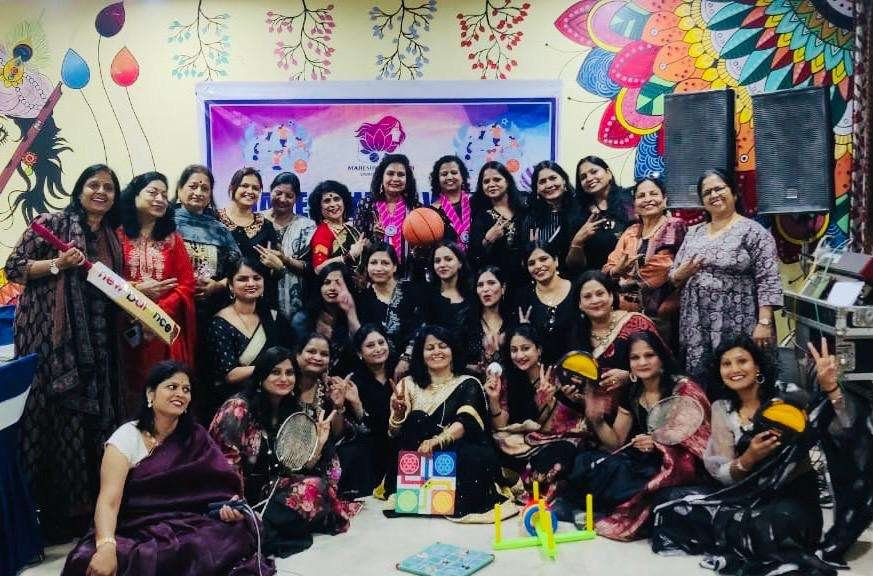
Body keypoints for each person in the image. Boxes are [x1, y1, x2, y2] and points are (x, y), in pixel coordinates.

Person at [651, 335, 852, 575]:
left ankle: (747, 536)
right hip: (747, 494)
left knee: (770, 524)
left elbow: (845, 427)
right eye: (726, 364)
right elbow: (723, 474)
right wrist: (749, 458)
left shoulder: (789, 396)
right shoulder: (722, 408)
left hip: (791, 499)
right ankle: (741, 533)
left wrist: (831, 388)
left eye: (742, 361)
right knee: (669, 501)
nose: (734, 369)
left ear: (757, 366)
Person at [63, 361, 273, 575]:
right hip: (135, 526)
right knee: (88, 559)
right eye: (172, 387)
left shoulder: (196, 436)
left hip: (188, 522)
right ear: (150, 394)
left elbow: (218, 489)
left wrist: (227, 509)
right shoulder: (126, 437)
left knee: (235, 531)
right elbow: (108, 501)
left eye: (186, 389)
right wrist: (106, 546)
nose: (180, 394)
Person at [4, 164, 124, 542]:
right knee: (53, 421)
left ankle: (85, 511)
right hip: (50, 340)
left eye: (108, 187)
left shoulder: (111, 237)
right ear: (79, 189)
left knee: (91, 422)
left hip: (97, 342)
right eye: (93, 185)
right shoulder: (51, 223)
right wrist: (58, 263)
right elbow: (14, 268)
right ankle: (49, 514)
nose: (101, 192)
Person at [210, 347, 352, 558]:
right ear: (261, 375)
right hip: (233, 495)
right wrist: (234, 503)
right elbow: (223, 462)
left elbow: (294, 466)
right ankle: (255, 527)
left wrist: (319, 444)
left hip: (270, 493)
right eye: (275, 372)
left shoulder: (291, 409)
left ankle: (258, 527)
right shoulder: (237, 408)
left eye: (290, 373)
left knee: (316, 486)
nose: (284, 379)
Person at [568, 331, 711, 540]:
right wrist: (596, 419)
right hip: (643, 463)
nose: (642, 362)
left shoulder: (684, 389)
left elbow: (697, 441)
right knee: (588, 462)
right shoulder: (633, 391)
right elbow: (616, 443)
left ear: (661, 358)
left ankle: (610, 508)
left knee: (641, 488)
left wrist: (657, 443)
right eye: (635, 358)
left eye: (649, 355)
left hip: (677, 469)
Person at [669, 168, 782, 385]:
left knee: (739, 377)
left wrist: (764, 322)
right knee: (702, 380)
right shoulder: (694, 233)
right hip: (697, 322)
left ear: (734, 193)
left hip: (739, 318)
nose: (713, 195)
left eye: (719, 189)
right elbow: (674, 277)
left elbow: (768, 279)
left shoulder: (753, 231)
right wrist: (680, 274)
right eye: (707, 192)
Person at [387, 325, 501, 516]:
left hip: (453, 452)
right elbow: (394, 433)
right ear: (421, 354)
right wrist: (398, 415)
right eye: (430, 348)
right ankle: (417, 496)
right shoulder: (408, 384)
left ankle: (448, 499)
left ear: (453, 350)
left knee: (472, 454)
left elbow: (466, 422)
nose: (436, 352)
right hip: (418, 459)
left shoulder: (469, 382)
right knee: (416, 419)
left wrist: (438, 441)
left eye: (442, 346)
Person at [116, 171, 196, 416]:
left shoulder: (173, 240)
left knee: (164, 387)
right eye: (153, 192)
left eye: (164, 194)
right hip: (124, 325)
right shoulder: (117, 236)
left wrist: (157, 312)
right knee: (127, 388)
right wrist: (136, 298)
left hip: (163, 327)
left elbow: (186, 284)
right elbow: (108, 279)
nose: (160, 199)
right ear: (134, 195)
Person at [485, 324, 588, 502]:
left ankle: (534, 486)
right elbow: (501, 425)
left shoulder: (557, 374)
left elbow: (567, 421)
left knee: (563, 452)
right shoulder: (509, 379)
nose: (519, 355)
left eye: (525, 348)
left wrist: (549, 401)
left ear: (538, 350)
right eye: (514, 350)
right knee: (494, 444)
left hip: (558, 438)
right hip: (523, 442)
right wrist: (493, 398)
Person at [603, 175, 686, 345]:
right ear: (635, 204)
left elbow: (660, 270)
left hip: (661, 315)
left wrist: (618, 276)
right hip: (625, 315)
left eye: (653, 194)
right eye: (641, 196)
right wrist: (615, 271)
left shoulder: (674, 226)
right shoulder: (631, 231)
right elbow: (608, 267)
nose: (647, 199)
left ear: (664, 199)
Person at [207, 257, 293, 415]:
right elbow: (229, 374)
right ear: (231, 285)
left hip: (275, 398)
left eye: (256, 278)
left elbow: (289, 356)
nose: (251, 283)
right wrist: (268, 367)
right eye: (243, 279)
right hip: (237, 405)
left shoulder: (273, 317)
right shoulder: (220, 322)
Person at [574, 270, 662, 421]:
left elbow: (664, 366)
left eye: (600, 294)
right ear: (580, 304)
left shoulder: (636, 323)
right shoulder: (577, 335)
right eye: (587, 296)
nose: (595, 300)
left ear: (611, 296)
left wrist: (630, 377)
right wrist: (576, 393)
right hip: (600, 417)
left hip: (645, 410)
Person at [173, 164, 240, 317]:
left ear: (210, 195)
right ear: (179, 190)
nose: (198, 192)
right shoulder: (163, 225)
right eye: (193, 187)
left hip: (212, 310)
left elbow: (240, 269)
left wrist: (219, 286)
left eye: (204, 189)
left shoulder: (219, 230)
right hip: (172, 308)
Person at [217, 167, 284, 307]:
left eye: (255, 188)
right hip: (219, 300)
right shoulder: (215, 220)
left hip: (256, 302)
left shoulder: (266, 226)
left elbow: (272, 272)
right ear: (232, 187)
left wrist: (279, 268)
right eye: (244, 185)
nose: (250, 191)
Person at [468, 161, 527, 300]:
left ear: (507, 181)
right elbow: (473, 256)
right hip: (495, 285)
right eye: (486, 181)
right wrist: (488, 239)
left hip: (524, 280)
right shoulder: (481, 216)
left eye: (497, 179)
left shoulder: (524, 209)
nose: (491, 184)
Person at [349, 325, 397, 495]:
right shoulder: (354, 382)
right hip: (373, 448)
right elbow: (363, 430)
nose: (378, 349)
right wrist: (357, 404)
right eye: (370, 345)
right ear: (359, 353)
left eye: (381, 342)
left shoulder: (400, 373)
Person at [514, 241, 580, 365]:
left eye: (543, 259)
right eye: (531, 263)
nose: (538, 266)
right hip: (540, 370)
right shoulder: (523, 297)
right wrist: (524, 330)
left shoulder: (577, 290)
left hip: (578, 367)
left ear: (556, 261)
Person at [353, 154, 422, 268]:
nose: (395, 179)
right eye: (390, 173)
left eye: (401, 175)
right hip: (375, 270)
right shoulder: (367, 204)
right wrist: (374, 238)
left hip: (407, 271)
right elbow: (357, 243)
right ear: (381, 177)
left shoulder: (415, 207)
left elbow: (422, 245)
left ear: (407, 180)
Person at [291, 262, 361, 374]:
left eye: (338, 283)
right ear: (320, 287)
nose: (332, 288)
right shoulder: (302, 319)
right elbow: (296, 358)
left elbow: (361, 350)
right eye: (327, 283)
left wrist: (351, 313)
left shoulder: (354, 314)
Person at [356, 242, 420, 356]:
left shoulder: (411, 291)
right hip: (377, 361)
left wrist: (406, 358)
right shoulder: (363, 299)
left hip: (414, 357)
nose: (378, 268)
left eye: (385, 263)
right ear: (366, 267)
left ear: (395, 266)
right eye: (373, 263)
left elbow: (421, 327)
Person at [267, 172, 316, 322]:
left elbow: (311, 268)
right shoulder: (256, 221)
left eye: (289, 196)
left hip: (297, 305)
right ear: (270, 191)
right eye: (278, 193)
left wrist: (286, 260)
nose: (282, 199)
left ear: (296, 198)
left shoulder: (307, 227)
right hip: (258, 298)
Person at [571, 155, 632, 271]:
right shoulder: (578, 212)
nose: (589, 178)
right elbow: (573, 265)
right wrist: (577, 241)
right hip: (594, 277)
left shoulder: (629, 201)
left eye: (594, 172)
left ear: (608, 173)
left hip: (629, 273)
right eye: (583, 177)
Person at [422, 242, 476, 367]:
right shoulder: (427, 296)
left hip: (467, 367)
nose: (442, 265)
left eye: (448, 259)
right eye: (437, 261)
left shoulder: (472, 297)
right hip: (435, 364)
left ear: (460, 263)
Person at [524, 161, 584, 272]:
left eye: (553, 178)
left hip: (577, 275)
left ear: (564, 180)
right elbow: (527, 257)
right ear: (537, 188)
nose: (549, 185)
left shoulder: (581, 210)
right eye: (542, 182)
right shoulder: (532, 218)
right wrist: (532, 248)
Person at [308, 180, 366, 276]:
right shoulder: (323, 233)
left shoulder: (351, 229)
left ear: (344, 202)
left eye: (336, 199)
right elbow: (318, 269)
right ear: (319, 207)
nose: (333, 204)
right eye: (327, 201)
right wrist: (347, 257)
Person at [467, 266, 510, 376]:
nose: (485, 289)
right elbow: (457, 361)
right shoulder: (467, 323)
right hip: (475, 383)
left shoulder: (513, 323)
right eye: (480, 285)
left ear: (503, 288)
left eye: (491, 283)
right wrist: (473, 368)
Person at [429, 155, 472, 250]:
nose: (449, 177)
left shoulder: (475, 202)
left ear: (462, 176)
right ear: (437, 179)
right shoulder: (432, 212)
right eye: (444, 174)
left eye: (454, 172)